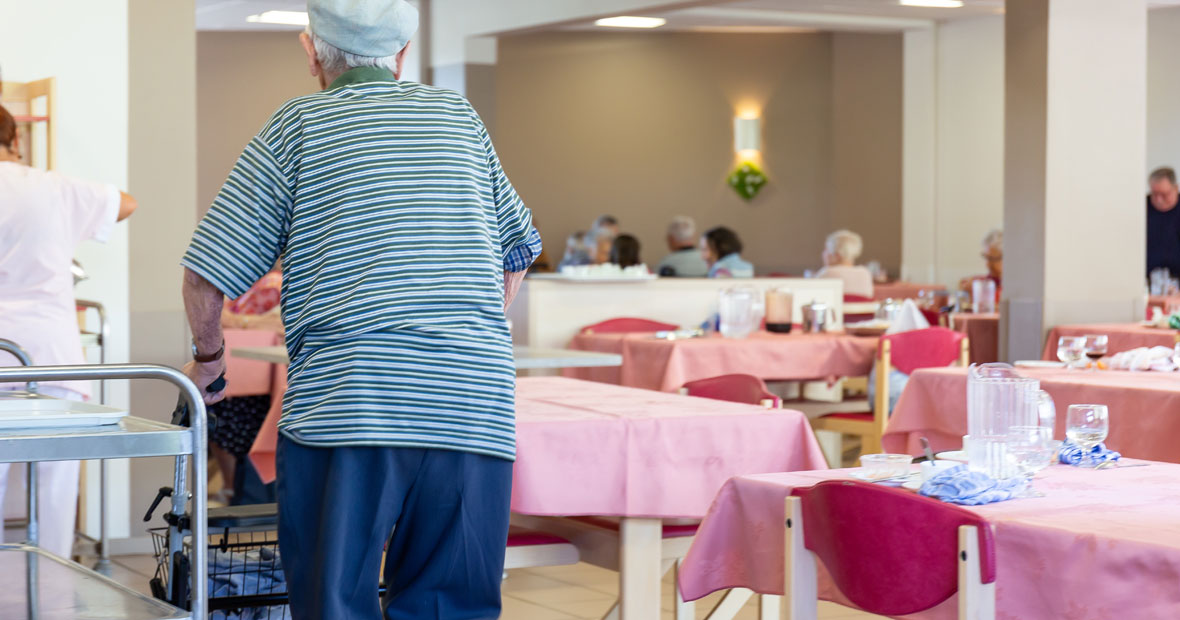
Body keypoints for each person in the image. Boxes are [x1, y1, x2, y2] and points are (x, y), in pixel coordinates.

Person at [179, 2, 542, 617]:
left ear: (311, 50)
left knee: (335, 602)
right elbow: (518, 252)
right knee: (451, 607)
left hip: (351, 407)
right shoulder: (457, 116)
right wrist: (467, 332)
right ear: (402, 54)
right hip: (470, 406)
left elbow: (205, 275)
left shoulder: (299, 124)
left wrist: (210, 361)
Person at [0, 102, 138, 558]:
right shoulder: (50, 187)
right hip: (51, 352)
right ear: (15, 140)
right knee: (55, 490)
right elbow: (126, 202)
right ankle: (53, 589)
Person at [814, 229, 874, 298]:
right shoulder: (865, 273)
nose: (823, 254)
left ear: (837, 255)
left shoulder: (827, 272)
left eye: (826, 250)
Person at [1147, 166, 1180, 278]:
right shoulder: (1142, 208)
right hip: (1147, 281)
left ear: (1176, 188)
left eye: (1164, 194)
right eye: (1154, 194)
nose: (1159, 200)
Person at [959, 229, 1002, 296]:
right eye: (986, 258)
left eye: (992, 259)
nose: (987, 265)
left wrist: (976, 294)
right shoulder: (992, 280)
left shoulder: (1013, 287)